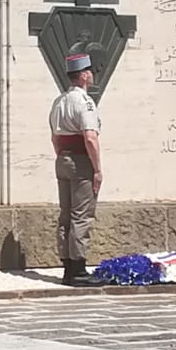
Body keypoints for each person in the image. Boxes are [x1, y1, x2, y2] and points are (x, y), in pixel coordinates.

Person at [49, 52, 102, 287]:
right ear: (83, 75)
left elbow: (55, 137)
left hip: (62, 159)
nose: (91, 75)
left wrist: (62, 156)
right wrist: (97, 169)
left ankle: (68, 267)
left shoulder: (59, 101)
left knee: (66, 214)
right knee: (81, 215)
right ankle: (79, 268)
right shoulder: (84, 102)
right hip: (80, 160)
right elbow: (90, 138)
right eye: (90, 71)